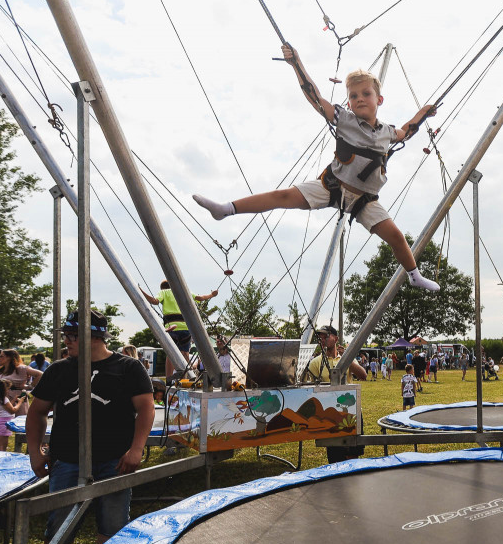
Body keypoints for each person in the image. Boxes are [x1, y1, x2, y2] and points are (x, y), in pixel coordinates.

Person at [193, 45, 439, 292]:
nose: (359, 98)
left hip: (365, 200)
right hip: (331, 186)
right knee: (283, 196)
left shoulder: (386, 131)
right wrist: (297, 64)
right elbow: (315, 97)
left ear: (379, 100)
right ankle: (227, 209)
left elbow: (407, 131)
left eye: (365, 93)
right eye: (353, 96)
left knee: (396, 236)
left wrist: (423, 113)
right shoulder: (345, 119)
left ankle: (413, 274)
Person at [25, 309, 155, 544]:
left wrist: (136, 449)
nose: (66, 341)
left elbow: (145, 409)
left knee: (112, 521)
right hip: (67, 459)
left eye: (71, 336)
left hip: (114, 459)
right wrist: (35, 450)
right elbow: (37, 413)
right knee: (59, 524)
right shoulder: (58, 370)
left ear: (92, 337)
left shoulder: (127, 367)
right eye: (66, 336)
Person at [303, 325, 367, 463]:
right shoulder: (315, 363)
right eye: (320, 337)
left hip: (351, 413)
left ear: (336, 338)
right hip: (330, 416)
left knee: (353, 457)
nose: (322, 339)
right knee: (334, 458)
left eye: (326, 336)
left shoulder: (346, 358)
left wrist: (347, 359)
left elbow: (363, 375)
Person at [139, 281, 219, 381]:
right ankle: (186, 378)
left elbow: (154, 301)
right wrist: (212, 294)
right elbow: (200, 298)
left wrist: (141, 291)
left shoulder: (164, 292)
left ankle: (168, 378)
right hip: (185, 328)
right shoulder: (183, 291)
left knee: (171, 353)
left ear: (163, 288)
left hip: (172, 326)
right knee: (185, 353)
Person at [0, 349, 43, 420]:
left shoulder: (21, 368)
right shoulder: (0, 370)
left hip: (16, 398)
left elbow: (40, 374)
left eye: (1, 356)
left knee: (20, 422)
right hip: (1, 400)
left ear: (9, 357)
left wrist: (30, 386)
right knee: (2, 424)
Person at [0, 378, 26, 451]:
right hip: (4, 423)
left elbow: (4, 408)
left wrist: (14, 400)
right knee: (1, 445)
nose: (8, 391)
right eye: (7, 389)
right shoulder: (3, 399)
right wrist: (20, 402)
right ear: (1, 390)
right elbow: (13, 410)